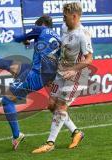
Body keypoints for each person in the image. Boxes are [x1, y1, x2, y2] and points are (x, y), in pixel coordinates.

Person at [0, 15, 61, 150]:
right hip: (42, 73)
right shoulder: (58, 38)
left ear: (41, 24)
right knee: (9, 64)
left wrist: (10, 34)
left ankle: (16, 135)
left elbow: (19, 38)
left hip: (35, 75)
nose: (34, 29)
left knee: (7, 101)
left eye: (35, 27)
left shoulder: (41, 29)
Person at [32, 2, 93, 154]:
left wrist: (73, 70)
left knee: (61, 107)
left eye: (65, 16)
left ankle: (50, 142)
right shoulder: (64, 27)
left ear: (74, 16)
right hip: (61, 72)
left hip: (76, 76)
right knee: (51, 106)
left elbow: (89, 59)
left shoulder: (83, 35)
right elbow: (62, 47)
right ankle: (76, 132)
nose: (63, 19)